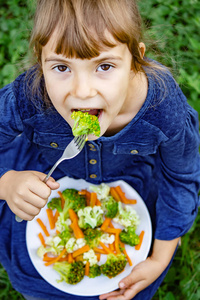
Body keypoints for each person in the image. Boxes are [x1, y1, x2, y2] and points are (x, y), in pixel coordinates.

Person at [0, 0, 199, 299]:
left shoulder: (164, 111)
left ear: (135, 60)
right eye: (61, 67)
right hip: (43, 173)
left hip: (136, 181)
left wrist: (160, 258)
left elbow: (181, 178)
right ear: (40, 63)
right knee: (32, 271)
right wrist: (6, 183)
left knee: (137, 272)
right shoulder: (29, 97)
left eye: (104, 66)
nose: (82, 91)